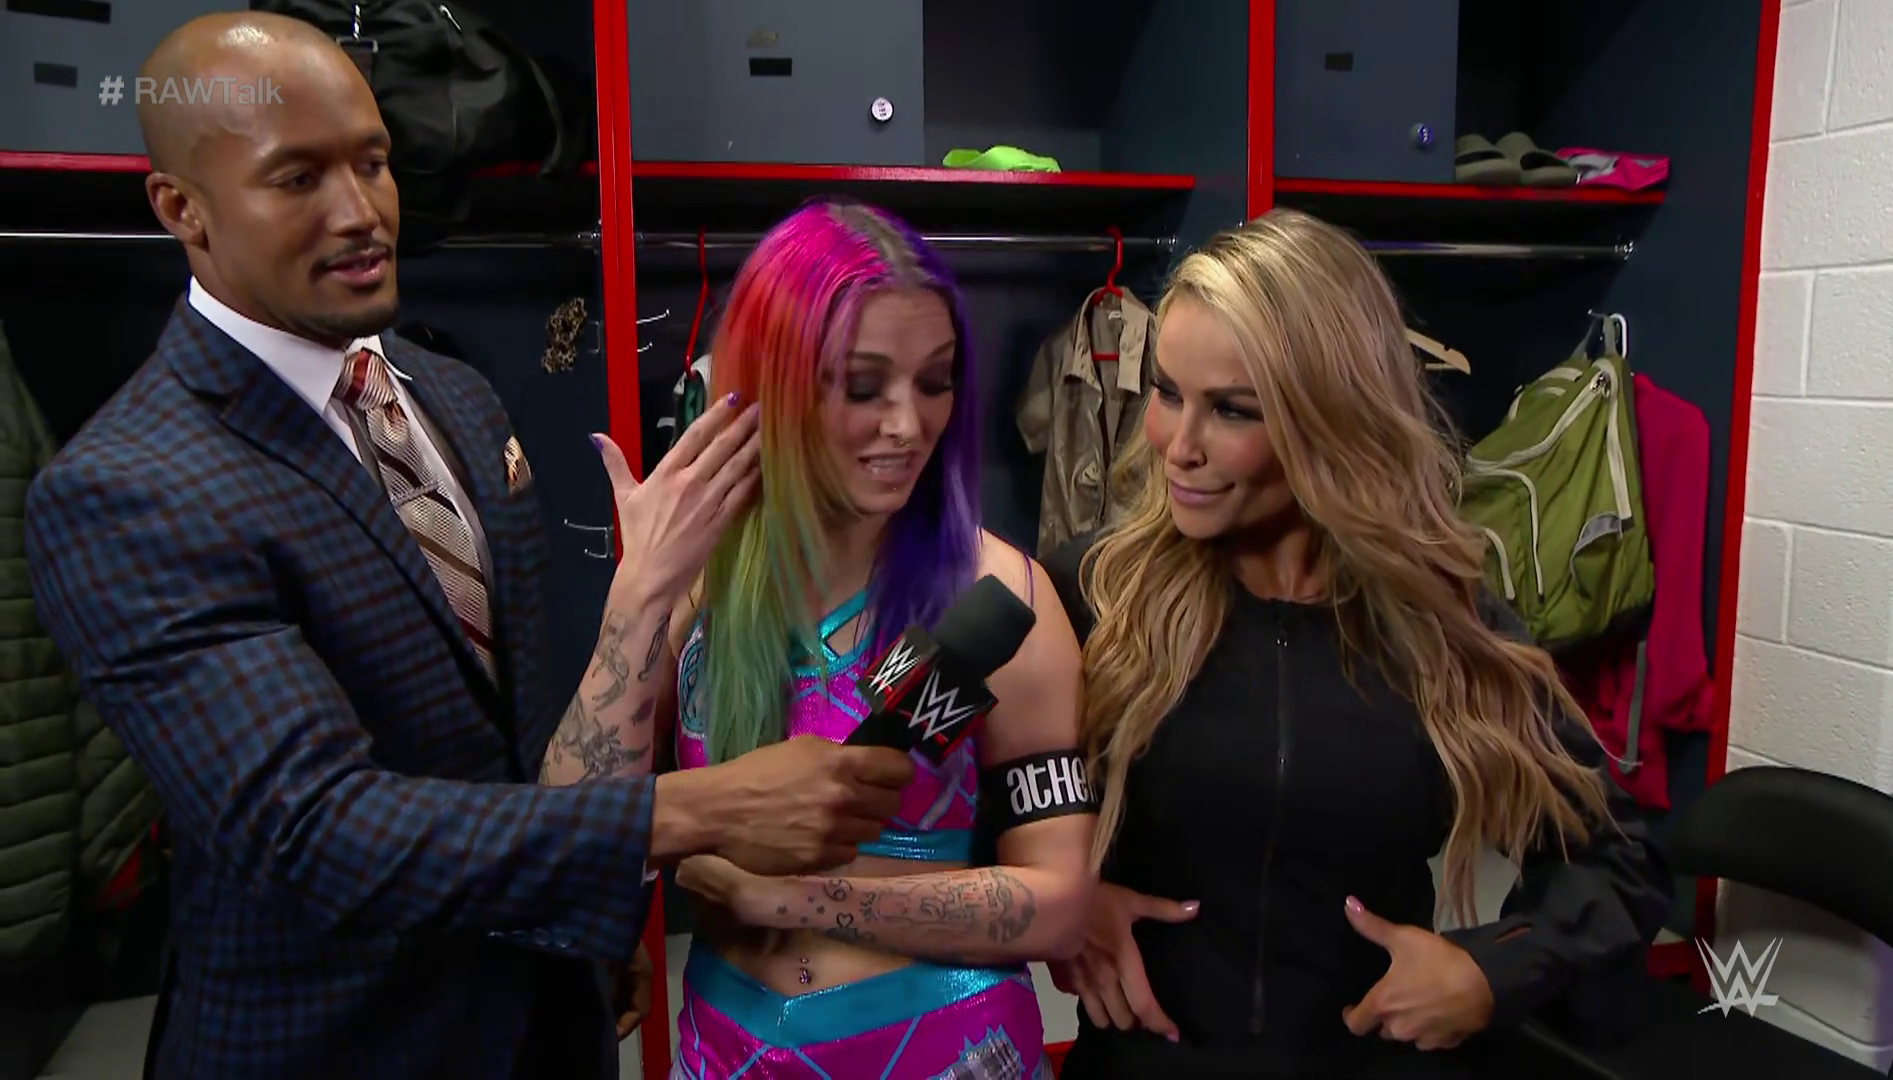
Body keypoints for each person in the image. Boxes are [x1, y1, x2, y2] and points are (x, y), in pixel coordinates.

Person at [22, 15, 914, 1080]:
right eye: (297, 178)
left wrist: (580, 936)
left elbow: (519, 727)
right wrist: (698, 810)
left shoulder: (453, 395)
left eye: (372, 162)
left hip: (547, 1019)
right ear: (183, 209)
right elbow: (315, 829)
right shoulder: (130, 487)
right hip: (339, 1048)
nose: (361, 212)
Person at [1040, 209, 1672, 1079]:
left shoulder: (1443, 627)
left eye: (1232, 410)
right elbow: (946, 810)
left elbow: (1617, 860)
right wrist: (1059, 902)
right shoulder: (1091, 595)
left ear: (1330, 420)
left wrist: (1488, 970)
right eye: (1168, 392)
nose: (1177, 447)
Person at [630, 199, 1095, 1078]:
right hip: (721, 1052)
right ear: (774, 381)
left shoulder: (994, 599)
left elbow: (1060, 901)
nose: (909, 426)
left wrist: (797, 900)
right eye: (864, 385)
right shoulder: (698, 590)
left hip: (948, 1054)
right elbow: (575, 830)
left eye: (935, 381)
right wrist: (636, 593)